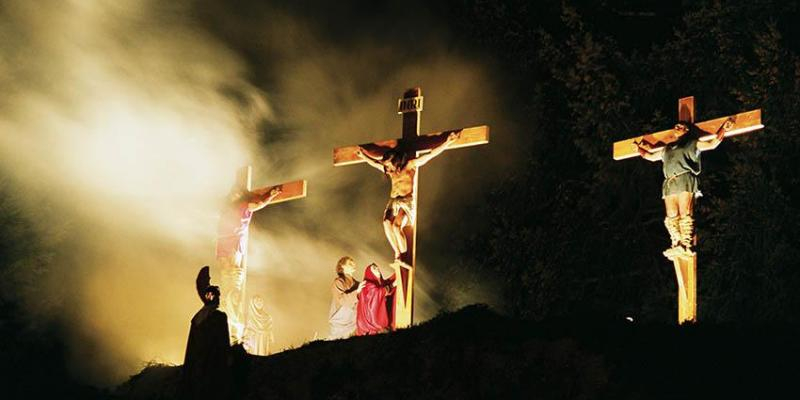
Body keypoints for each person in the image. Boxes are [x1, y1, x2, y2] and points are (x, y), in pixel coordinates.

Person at [355, 131, 461, 260]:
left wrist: (447, 142)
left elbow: (430, 155)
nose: (386, 169)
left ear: (396, 161)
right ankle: (397, 252)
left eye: (388, 165)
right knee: (386, 222)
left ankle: (404, 254)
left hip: (406, 202)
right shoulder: (389, 171)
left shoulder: (410, 165)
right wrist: (364, 156)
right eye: (386, 166)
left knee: (396, 226)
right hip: (393, 201)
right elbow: (376, 163)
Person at [636, 119, 732, 258]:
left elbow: (712, 144)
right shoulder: (667, 148)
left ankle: (686, 244)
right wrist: (638, 149)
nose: (677, 126)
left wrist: (724, 129)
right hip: (670, 182)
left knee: (684, 213)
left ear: (687, 131)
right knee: (672, 215)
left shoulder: (692, 143)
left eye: (681, 126)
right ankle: (676, 243)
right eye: (676, 125)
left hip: (684, 179)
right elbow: (650, 157)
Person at [216, 180, 282, 341]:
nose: (233, 193)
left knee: (233, 277)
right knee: (226, 278)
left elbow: (258, 203)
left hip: (234, 240)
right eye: (233, 190)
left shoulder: (243, 206)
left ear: (241, 194)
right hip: (222, 241)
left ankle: (235, 332)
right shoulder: (227, 209)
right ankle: (226, 328)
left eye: (237, 191)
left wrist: (270, 195)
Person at [182, 267, 231, 400]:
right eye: (218, 296)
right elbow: (223, 342)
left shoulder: (197, 317)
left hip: (196, 365)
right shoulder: (219, 317)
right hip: (212, 364)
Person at [328, 256, 366, 339]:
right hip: (340, 321)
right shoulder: (338, 282)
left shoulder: (358, 284)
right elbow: (342, 300)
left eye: (353, 263)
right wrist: (357, 292)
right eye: (350, 264)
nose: (353, 265)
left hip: (354, 321)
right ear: (342, 266)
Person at [356, 263, 397, 335]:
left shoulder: (379, 283)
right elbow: (377, 293)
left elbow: (387, 283)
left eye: (377, 268)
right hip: (370, 327)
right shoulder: (367, 285)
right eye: (374, 268)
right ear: (369, 272)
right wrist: (393, 285)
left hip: (374, 327)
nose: (377, 269)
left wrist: (397, 274)